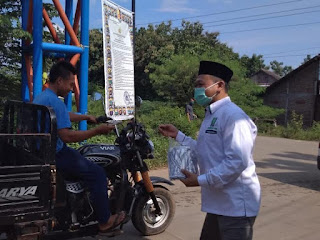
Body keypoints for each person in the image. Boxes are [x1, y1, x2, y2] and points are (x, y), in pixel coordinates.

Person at [159, 61, 261, 240]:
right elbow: (205, 149)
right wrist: (178, 136)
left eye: (201, 84)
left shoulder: (234, 117)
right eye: (196, 85)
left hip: (235, 207)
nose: (196, 90)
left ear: (219, 85)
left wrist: (200, 180)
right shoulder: (212, 114)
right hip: (217, 204)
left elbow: (237, 162)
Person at [33, 61, 125, 235]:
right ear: (59, 81)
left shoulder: (43, 97)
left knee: (83, 159)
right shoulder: (56, 102)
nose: (70, 89)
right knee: (98, 174)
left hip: (42, 150)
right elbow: (68, 136)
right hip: (56, 154)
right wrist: (97, 131)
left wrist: (86, 117)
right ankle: (104, 222)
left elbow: (63, 115)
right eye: (69, 84)